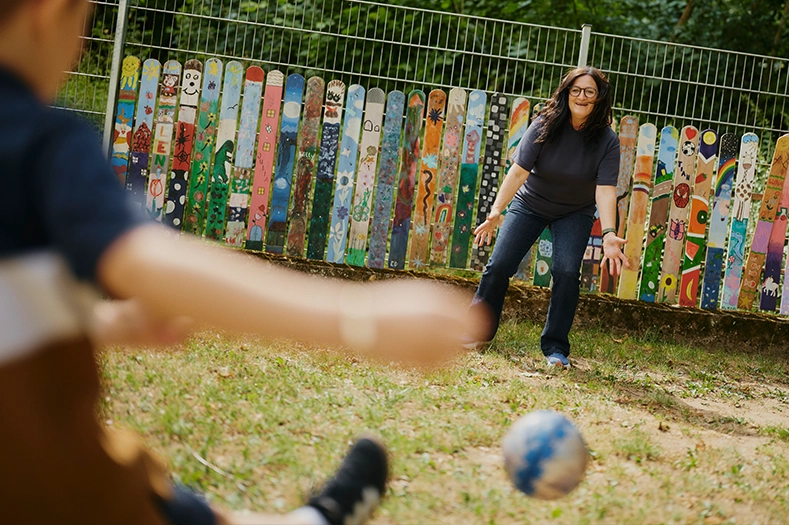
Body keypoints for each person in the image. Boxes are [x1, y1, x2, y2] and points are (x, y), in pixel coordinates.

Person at [0, 0, 487, 523]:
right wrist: (356, 316)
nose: (79, 48)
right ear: (47, 11)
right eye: (85, 23)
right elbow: (143, 261)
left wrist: (100, 324)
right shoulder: (33, 137)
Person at [471, 66, 629, 369]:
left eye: (589, 92)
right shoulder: (545, 124)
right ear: (567, 92)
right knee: (500, 265)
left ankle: (556, 347)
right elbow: (518, 171)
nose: (582, 97)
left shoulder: (606, 139)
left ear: (599, 98)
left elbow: (606, 190)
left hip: (574, 212)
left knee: (567, 272)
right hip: (530, 203)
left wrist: (609, 233)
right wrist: (495, 211)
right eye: (576, 90)